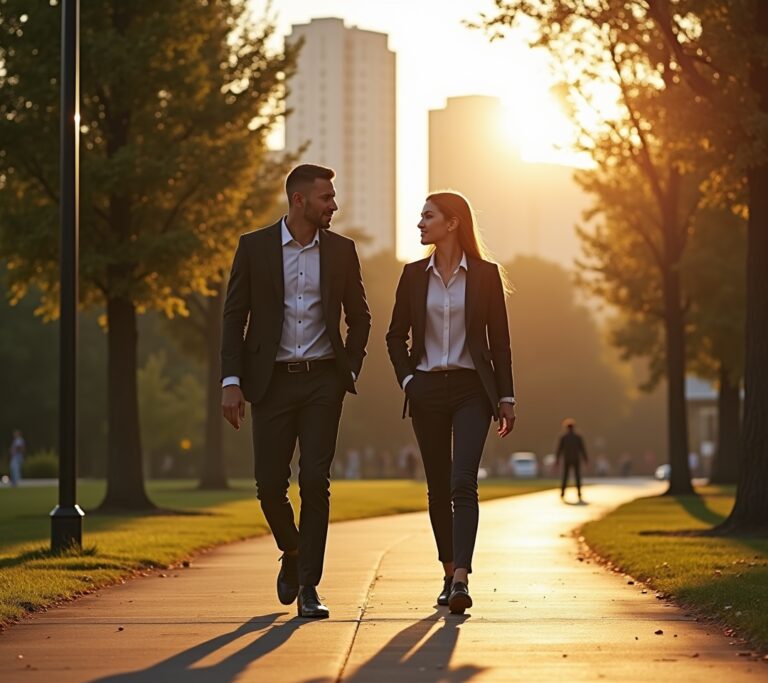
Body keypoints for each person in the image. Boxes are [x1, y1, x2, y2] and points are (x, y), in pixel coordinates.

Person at [221, 164, 371, 619]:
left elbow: (360, 317)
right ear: (300, 200)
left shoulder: (343, 251)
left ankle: (309, 586)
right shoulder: (254, 247)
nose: (334, 205)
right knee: (269, 486)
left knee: (314, 482)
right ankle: (293, 551)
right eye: (327, 197)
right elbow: (234, 317)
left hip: (323, 380)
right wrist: (232, 382)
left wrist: (348, 367)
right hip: (270, 382)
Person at [386, 190, 516, 615]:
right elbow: (394, 337)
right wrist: (408, 380)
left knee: (464, 482)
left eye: (428, 216)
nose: (420, 223)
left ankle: (461, 577)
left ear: (453, 222)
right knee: (438, 488)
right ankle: (446, 570)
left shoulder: (484, 275)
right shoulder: (412, 276)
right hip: (426, 390)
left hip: (471, 391)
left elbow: (500, 341)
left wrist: (506, 396)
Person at [556, 419, 589, 501]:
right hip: (576, 459)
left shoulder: (564, 437)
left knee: (565, 477)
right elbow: (582, 449)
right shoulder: (578, 437)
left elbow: (559, 450)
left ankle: (563, 492)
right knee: (577, 476)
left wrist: (557, 460)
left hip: (567, 459)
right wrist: (586, 460)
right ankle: (579, 493)